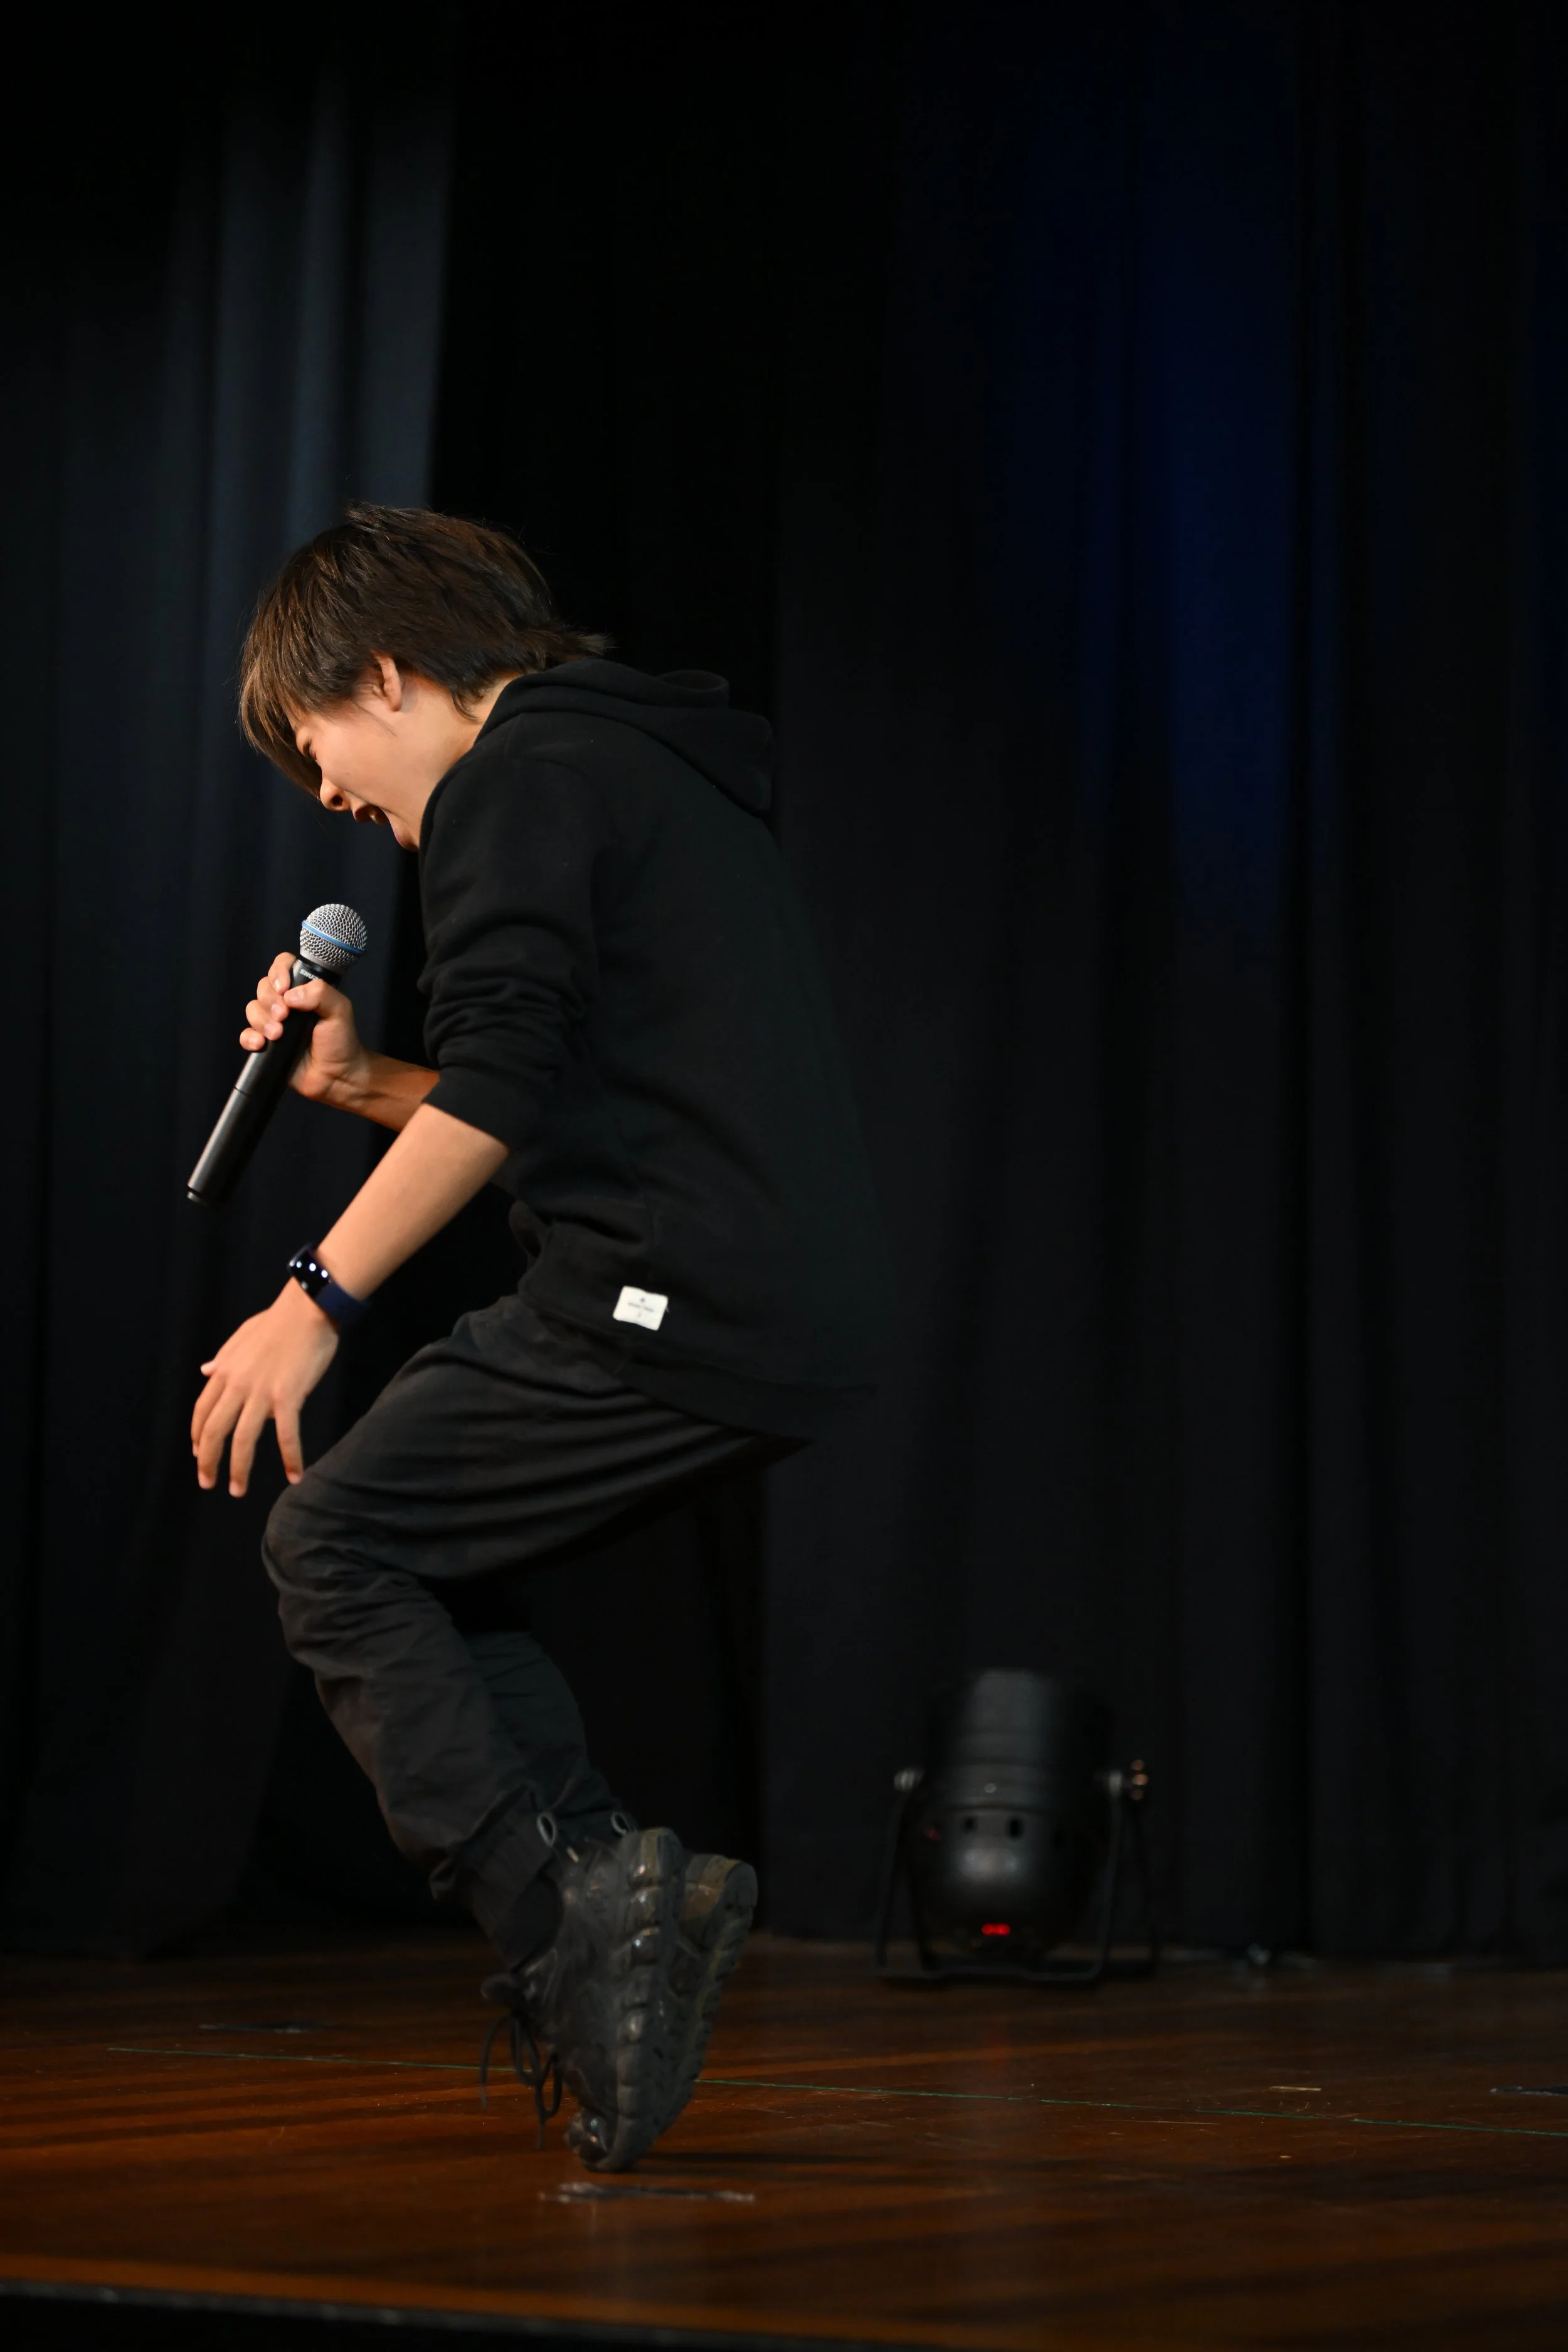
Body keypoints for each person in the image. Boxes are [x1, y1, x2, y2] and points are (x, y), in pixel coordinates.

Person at [189, 506, 889, 2171]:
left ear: (383, 672)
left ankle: (582, 1919)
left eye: (314, 745)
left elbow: (503, 1088)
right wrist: (362, 1081)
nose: (329, 796)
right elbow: (562, 1097)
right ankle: (605, 1911)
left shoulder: (514, 779)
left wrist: (310, 1301)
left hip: (672, 1290)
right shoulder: (628, 761)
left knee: (330, 1540)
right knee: (409, 1552)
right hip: (759, 1291)